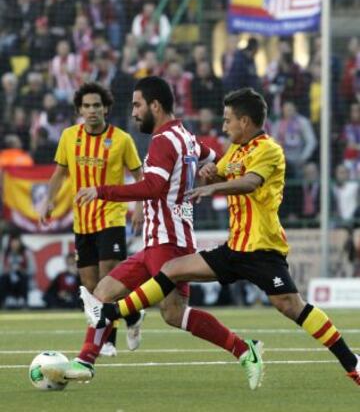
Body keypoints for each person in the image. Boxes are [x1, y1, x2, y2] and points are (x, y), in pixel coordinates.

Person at [78, 87, 360, 387]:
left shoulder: (269, 150)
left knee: (291, 305)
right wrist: (210, 173)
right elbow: (216, 168)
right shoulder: (236, 152)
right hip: (234, 249)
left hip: (262, 251)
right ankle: (112, 313)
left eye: (228, 121)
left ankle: (352, 362)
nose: (224, 127)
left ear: (246, 122)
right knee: (171, 271)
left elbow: (250, 182)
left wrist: (214, 187)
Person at [42, 76, 265, 391]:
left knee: (172, 313)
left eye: (137, 105)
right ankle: (85, 362)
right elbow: (216, 159)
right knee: (104, 291)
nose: (133, 112)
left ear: (155, 106)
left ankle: (244, 349)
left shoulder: (163, 140)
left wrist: (101, 190)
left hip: (170, 244)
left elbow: (152, 187)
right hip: (159, 242)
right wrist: (211, 170)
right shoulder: (186, 136)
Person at [39, 81, 144, 357]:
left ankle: (108, 340)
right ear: (79, 110)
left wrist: (140, 208)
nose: (92, 110)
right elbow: (59, 173)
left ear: (106, 108)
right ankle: (132, 315)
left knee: (108, 279)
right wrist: (48, 201)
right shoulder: (68, 137)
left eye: (97, 105)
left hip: (111, 217)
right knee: (89, 285)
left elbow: (140, 177)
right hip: (82, 222)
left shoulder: (122, 139)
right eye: (86, 106)